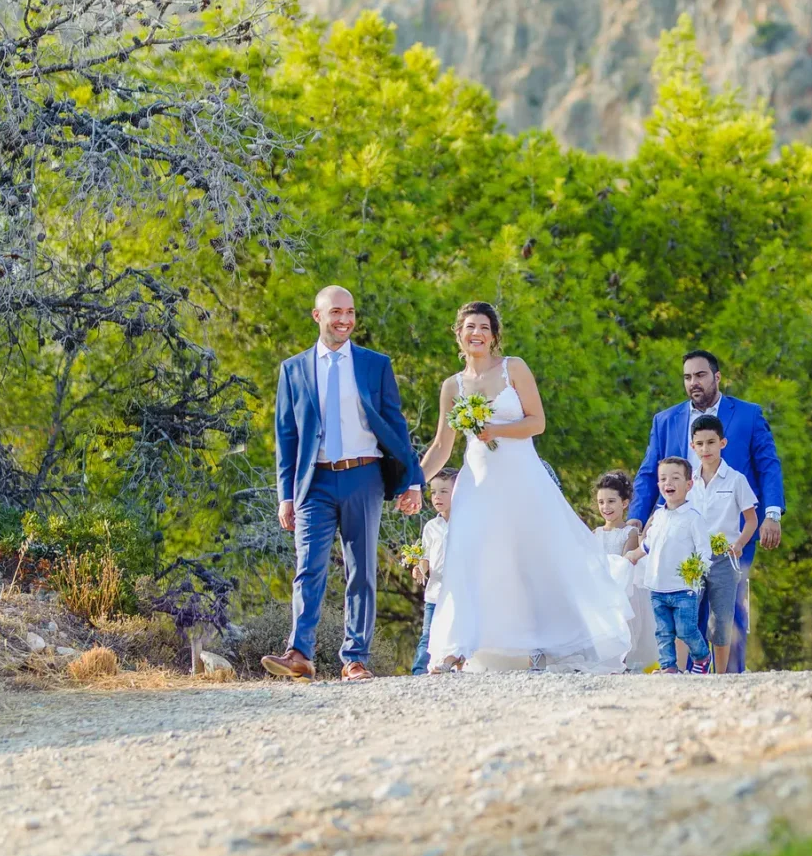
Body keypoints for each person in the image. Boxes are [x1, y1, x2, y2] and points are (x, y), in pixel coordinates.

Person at [417, 301, 632, 673]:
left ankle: (549, 643)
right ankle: (458, 646)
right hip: (478, 485)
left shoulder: (513, 368)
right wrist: (411, 482)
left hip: (521, 479)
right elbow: (441, 445)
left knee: (535, 559)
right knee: (469, 559)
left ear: (494, 335)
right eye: (469, 327)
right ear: (459, 334)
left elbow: (537, 423)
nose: (477, 333)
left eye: (484, 327)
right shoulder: (452, 386)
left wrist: (495, 430)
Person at [266, 285, 424, 683]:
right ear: (318, 316)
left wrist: (413, 481)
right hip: (313, 481)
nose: (345, 320)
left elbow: (396, 425)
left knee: (362, 571)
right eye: (336, 312)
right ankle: (299, 653)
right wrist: (286, 495)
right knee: (308, 568)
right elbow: (286, 437)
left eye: (351, 312)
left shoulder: (375, 365)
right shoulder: (294, 369)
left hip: (364, 476)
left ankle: (355, 658)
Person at [630, 350, 785, 672]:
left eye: (700, 375)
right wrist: (636, 520)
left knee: (728, 607)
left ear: (717, 377)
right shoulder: (666, 420)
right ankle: (689, 674)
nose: (693, 383)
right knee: (684, 604)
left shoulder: (748, 415)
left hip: (731, 533)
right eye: (687, 377)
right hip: (677, 530)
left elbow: (768, 466)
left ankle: (731, 677)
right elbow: (648, 473)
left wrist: (772, 513)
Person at [684, 415, 759, 674]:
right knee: (686, 613)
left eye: (711, 443)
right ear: (692, 446)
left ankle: (721, 674)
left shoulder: (736, 480)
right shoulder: (688, 483)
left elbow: (751, 520)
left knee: (722, 619)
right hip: (693, 558)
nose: (706, 449)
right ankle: (687, 669)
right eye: (700, 444)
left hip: (723, 557)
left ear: (722, 443)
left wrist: (738, 544)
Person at [626, 457, 713, 674]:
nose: (668, 483)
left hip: (684, 587)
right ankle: (669, 667)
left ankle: (702, 657)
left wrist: (697, 569)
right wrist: (633, 555)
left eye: (675, 478)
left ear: (688, 484)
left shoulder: (694, 518)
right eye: (663, 478)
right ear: (658, 485)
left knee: (686, 630)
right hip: (657, 586)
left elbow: (705, 550)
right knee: (663, 632)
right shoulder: (659, 516)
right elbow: (648, 544)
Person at [592, 469, 658, 673]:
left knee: (624, 627)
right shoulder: (595, 533)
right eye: (601, 502)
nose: (606, 507)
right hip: (600, 588)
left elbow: (624, 564)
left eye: (611, 501)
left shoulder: (629, 533)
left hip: (622, 588)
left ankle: (623, 662)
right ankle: (603, 659)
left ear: (625, 503)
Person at [410, 468, 457, 676]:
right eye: (433, 492)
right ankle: (419, 671)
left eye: (444, 491)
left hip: (457, 592)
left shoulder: (465, 523)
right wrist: (420, 568)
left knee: (455, 630)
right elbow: (426, 557)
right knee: (427, 634)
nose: (437, 497)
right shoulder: (431, 527)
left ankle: (455, 664)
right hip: (434, 592)